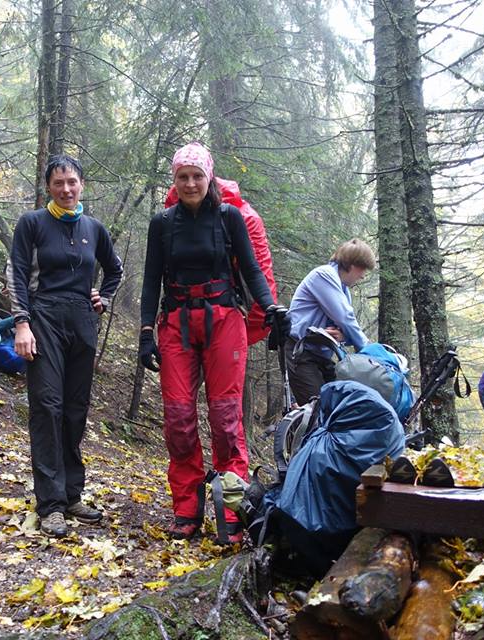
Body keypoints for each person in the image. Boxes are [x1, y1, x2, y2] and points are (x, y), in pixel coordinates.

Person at [138, 142, 288, 543]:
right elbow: (152, 281)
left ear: (209, 178)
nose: (190, 183)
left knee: (225, 420)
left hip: (224, 321)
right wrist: (145, 333)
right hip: (176, 325)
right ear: (174, 180)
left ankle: (232, 508)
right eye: (182, 177)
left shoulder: (229, 217)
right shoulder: (162, 223)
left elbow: (253, 270)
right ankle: (186, 509)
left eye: (197, 176)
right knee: (179, 420)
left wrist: (270, 308)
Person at [6, 155, 123, 538]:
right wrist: (21, 322)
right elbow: (17, 273)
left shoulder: (94, 228)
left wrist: (102, 299)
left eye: (72, 182)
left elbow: (115, 269)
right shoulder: (33, 224)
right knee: (47, 407)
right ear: (48, 188)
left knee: (75, 410)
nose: (66, 189)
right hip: (44, 320)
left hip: (82, 324)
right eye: (59, 183)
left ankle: (73, 495)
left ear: (82, 185)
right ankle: (51, 504)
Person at [285, 239, 375, 405]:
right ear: (353, 265)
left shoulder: (343, 289)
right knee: (317, 410)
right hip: (301, 352)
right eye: (363, 269)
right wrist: (368, 350)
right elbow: (344, 317)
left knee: (339, 406)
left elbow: (343, 327)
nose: (363, 276)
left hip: (321, 355)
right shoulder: (324, 275)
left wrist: (343, 336)